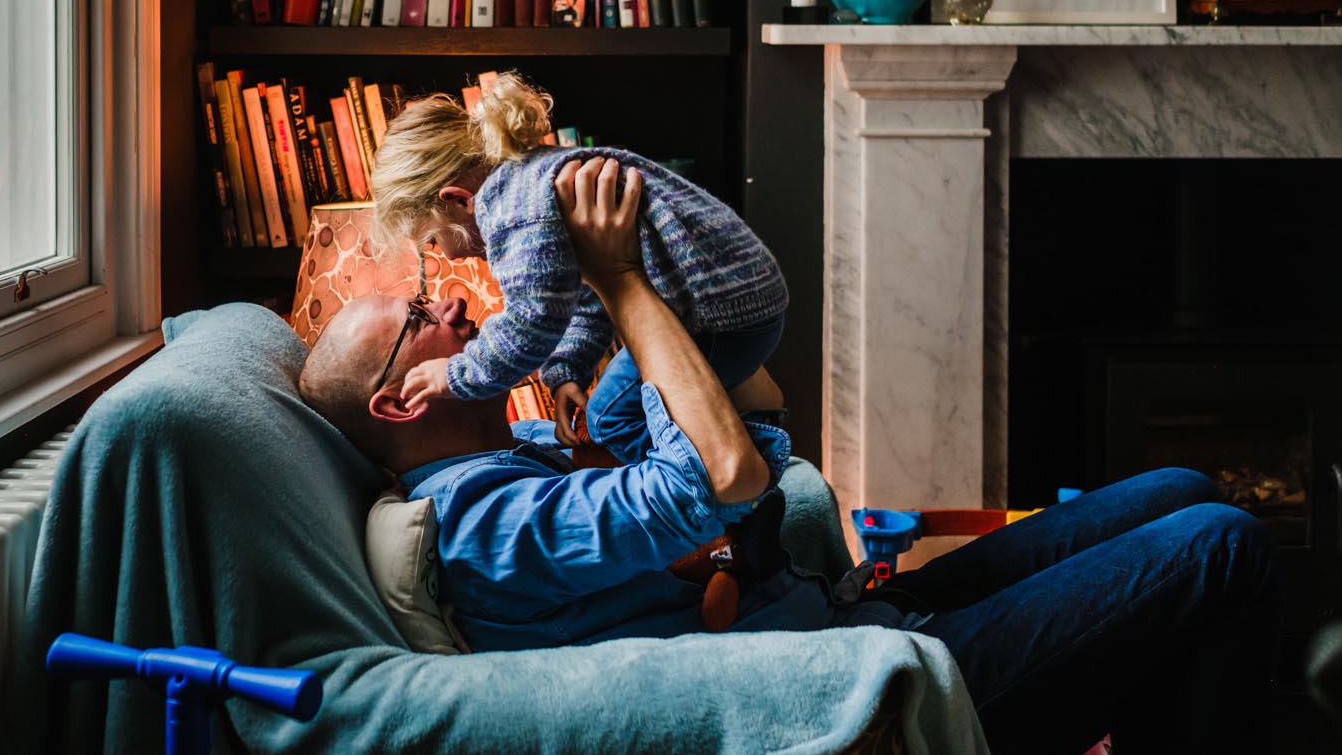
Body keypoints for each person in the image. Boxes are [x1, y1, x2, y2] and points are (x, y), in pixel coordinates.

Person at [300, 156, 1278, 755]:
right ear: (396, 398)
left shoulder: (524, 447)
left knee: (1182, 485)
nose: (458, 302)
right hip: (856, 692)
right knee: (1219, 537)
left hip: (861, 614)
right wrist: (620, 279)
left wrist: (646, 310)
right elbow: (720, 477)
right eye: (422, 316)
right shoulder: (486, 526)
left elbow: (754, 427)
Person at [367, 71, 788, 452]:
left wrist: (455, 375)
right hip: (746, 300)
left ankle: (743, 467)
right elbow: (585, 293)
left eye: (435, 241)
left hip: (722, 319)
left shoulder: (511, 207)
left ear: (457, 200)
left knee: (611, 420)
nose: (449, 256)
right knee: (617, 412)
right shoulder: (533, 178)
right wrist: (568, 369)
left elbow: (530, 322)